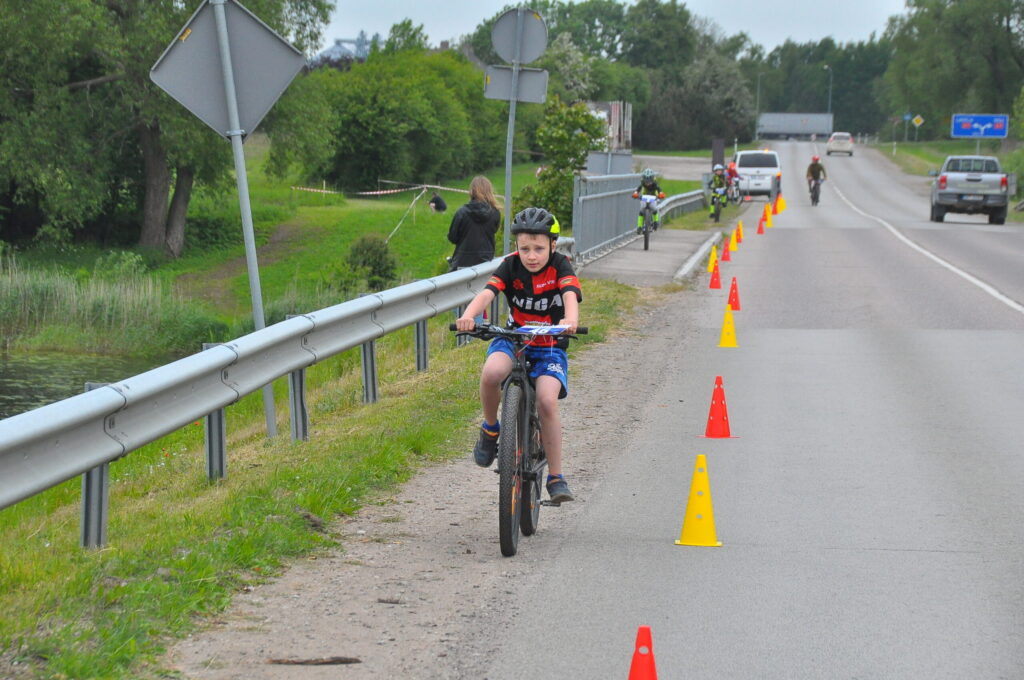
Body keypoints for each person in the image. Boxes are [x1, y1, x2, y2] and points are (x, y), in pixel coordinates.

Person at [455, 207, 582, 504]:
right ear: (516, 247)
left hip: (550, 344)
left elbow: (569, 296)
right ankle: (490, 429)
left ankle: (556, 477)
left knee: (547, 400)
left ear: (553, 245)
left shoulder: (561, 266)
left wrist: (570, 320)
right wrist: (469, 316)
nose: (531, 256)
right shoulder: (510, 265)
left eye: (539, 248)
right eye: (525, 249)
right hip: (514, 338)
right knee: (491, 373)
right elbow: (487, 293)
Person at [447, 176, 501, 270]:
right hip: (486, 263)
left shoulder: (462, 212)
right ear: (489, 191)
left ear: (472, 191)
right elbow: (494, 231)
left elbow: (452, 237)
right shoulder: (495, 213)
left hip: (462, 263)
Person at [632, 168, 664, 233]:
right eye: (646, 180)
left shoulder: (655, 184)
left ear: (652, 179)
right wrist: (635, 193)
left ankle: (655, 221)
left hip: (653, 197)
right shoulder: (642, 184)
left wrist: (660, 194)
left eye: (649, 180)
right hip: (644, 197)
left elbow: (659, 190)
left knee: (654, 208)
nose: (648, 183)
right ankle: (639, 226)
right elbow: (638, 189)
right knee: (641, 210)